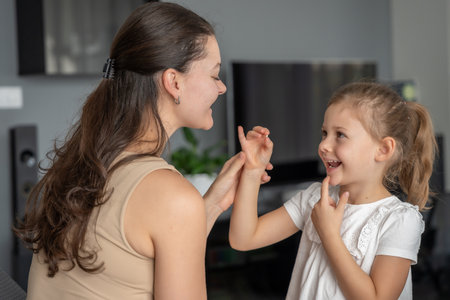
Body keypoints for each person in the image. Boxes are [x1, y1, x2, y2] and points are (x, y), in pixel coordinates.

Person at [14, 2, 270, 299]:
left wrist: (212, 203)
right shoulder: (169, 196)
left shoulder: (83, 165)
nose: (222, 87)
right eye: (214, 75)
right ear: (174, 82)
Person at [229, 81, 437, 300]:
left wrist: (329, 234)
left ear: (383, 149)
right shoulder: (313, 199)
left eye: (340, 135)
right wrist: (252, 172)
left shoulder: (399, 221)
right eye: (324, 133)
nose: (324, 145)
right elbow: (243, 239)